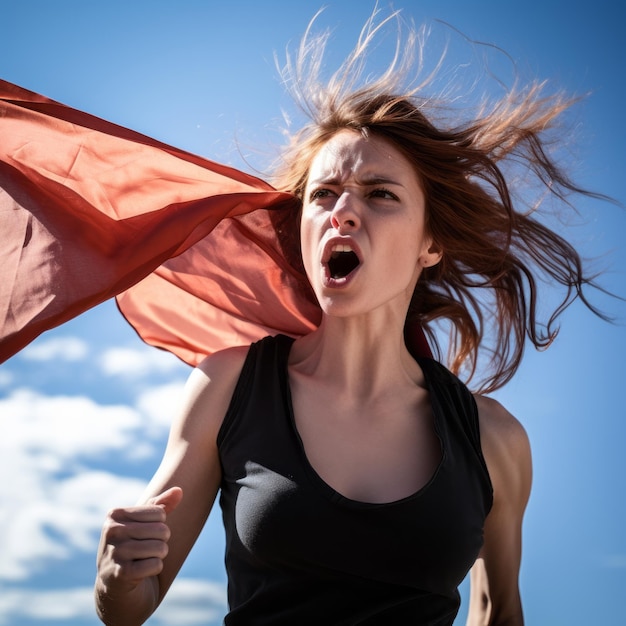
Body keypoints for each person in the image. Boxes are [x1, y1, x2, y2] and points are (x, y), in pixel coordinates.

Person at [93, 11, 606, 626]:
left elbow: (498, 611)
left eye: (380, 194)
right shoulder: (230, 385)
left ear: (430, 243)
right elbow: (129, 609)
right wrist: (116, 575)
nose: (343, 212)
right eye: (323, 194)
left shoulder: (494, 439)